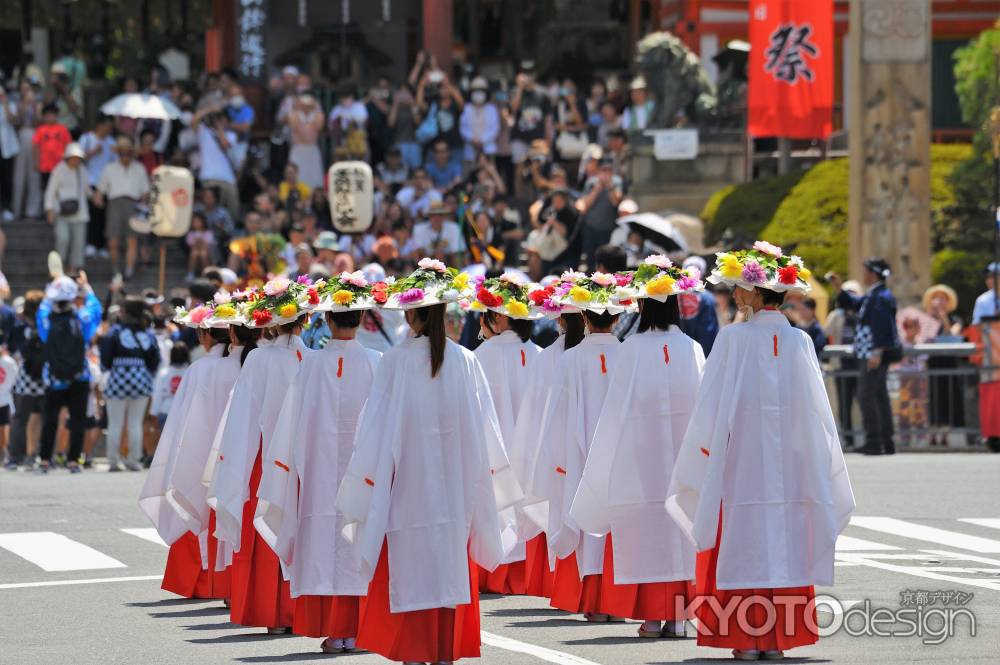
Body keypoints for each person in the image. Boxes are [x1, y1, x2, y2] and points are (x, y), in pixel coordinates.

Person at [667, 244, 855, 661]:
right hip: (791, 462)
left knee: (743, 538)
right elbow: (816, 411)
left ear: (754, 294)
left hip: (741, 461)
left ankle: (745, 638)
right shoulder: (800, 341)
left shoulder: (733, 339)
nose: (734, 295)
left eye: (738, 289)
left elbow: (710, 405)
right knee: (786, 537)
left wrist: (705, 452)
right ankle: (778, 639)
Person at [335, 262, 520, 664]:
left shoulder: (395, 362)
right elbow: (485, 434)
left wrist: (369, 484)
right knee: (448, 562)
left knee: (409, 564)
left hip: (405, 489)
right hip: (455, 490)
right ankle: (442, 650)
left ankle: (415, 651)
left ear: (412, 312)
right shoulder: (465, 361)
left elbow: (374, 434)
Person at [569, 258, 704, 637]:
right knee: (681, 525)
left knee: (647, 528)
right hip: (683, 455)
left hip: (641, 458)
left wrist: (606, 462)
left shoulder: (631, 349)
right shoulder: (691, 347)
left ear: (641, 304)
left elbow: (615, 413)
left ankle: (653, 614)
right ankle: (680, 614)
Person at [254, 275, 381, 654]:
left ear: (326, 320)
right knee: (357, 537)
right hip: (364, 471)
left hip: (319, 472)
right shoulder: (378, 363)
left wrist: (290, 466)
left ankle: (336, 628)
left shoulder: (310, 366)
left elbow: (290, 427)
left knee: (325, 539)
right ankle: (359, 628)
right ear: (362, 319)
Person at [209, 279, 313, 633]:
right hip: (304, 461)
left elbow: (243, 417)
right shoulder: (311, 357)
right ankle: (302, 610)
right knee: (301, 527)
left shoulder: (259, 359)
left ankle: (272, 612)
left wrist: (231, 462)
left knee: (268, 521)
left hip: (265, 455)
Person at [141, 298, 258, 601]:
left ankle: (205, 580)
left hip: (204, 447)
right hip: (244, 450)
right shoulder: (249, 364)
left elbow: (183, 421)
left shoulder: (202, 368)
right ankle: (235, 584)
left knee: (202, 511)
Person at [528, 274, 622, 620]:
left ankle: (593, 600)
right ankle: (615, 599)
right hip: (618, 455)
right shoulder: (626, 354)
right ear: (617, 317)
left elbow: (558, 417)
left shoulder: (571, 359)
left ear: (583, 317)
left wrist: (554, 459)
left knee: (583, 518)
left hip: (580, 452)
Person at [509, 294, 587, 598]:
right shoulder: (572, 356)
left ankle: (561, 585)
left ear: (561, 319)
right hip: (587, 448)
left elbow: (534, 413)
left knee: (556, 502)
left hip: (554, 447)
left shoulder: (550, 358)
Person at [471, 276, 541, 595]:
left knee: (501, 503)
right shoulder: (538, 353)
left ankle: (496, 572)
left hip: (495, 448)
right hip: (532, 448)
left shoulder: (483, 355)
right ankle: (530, 573)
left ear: (498, 318)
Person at [831, 258, 900, 455]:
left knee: (867, 395)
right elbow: (854, 303)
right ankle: (886, 441)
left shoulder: (880, 297)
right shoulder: (876, 295)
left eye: (866, 271)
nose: (863, 274)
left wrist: (877, 351)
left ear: (874, 274)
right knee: (878, 396)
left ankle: (875, 441)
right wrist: (839, 288)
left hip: (873, 353)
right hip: (872, 352)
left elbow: (882, 326)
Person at [36, 273, 103, 473]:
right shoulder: (82, 319)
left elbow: (42, 308)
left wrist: (51, 290)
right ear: (73, 297)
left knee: (50, 420)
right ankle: (73, 460)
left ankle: (45, 459)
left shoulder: (46, 319)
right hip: (79, 376)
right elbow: (96, 311)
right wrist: (87, 289)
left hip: (54, 378)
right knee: (78, 420)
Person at [100, 296, 160, 471]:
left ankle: (113, 460)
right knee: (135, 422)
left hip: (118, 376)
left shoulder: (115, 331)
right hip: (141, 377)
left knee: (115, 423)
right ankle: (134, 460)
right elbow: (155, 359)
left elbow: (105, 359)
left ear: (125, 312)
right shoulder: (147, 333)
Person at [95, 136, 150, 279]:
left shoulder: (139, 168)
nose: (125, 155)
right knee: (113, 240)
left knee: (132, 239)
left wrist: (143, 207)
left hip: (133, 203)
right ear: (118, 153)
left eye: (128, 152)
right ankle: (116, 269)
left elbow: (145, 192)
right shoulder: (109, 168)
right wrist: (98, 198)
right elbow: (101, 189)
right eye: (122, 152)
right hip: (114, 204)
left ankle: (129, 270)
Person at [6, 290, 45, 469]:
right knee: (34, 415)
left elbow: (14, 347)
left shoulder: (22, 324)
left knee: (24, 416)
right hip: (40, 373)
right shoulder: (43, 325)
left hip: (26, 374)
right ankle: (28, 453)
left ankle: (21, 455)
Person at [44, 143, 91, 274]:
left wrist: (95, 196)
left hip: (80, 212)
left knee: (79, 242)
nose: (76, 160)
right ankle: (59, 268)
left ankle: (74, 268)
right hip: (62, 211)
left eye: (78, 158)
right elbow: (51, 191)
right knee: (62, 238)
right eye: (73, 157)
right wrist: (49, 209)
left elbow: (87, 190)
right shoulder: (58, 170)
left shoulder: (82, 170)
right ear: (68, 157)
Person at [78, 114, 115, 256]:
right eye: (107, 127)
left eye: (110, 128)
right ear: (99, 125)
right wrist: (93, 152)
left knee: (104, 216)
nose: (108, 130)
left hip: (106, 184)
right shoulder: (86, 139)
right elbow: (78, 159)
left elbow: (114, 162)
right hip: (90, 182)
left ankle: (101, 245)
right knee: (91, 214)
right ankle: (91, 243)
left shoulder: (111, 142)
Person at [677, 256, 720, 355]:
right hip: (700, 353)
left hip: (677, 351)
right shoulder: (708, 298)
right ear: (703, 273)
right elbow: (708, 331)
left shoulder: (674, 295)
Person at [287, 95, 325, 190]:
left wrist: (315, 108)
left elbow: (319, 126)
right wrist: (298, 107)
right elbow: (294, 125)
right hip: (298, 149)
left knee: (314, 176)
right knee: (297, 175)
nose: (306, 107)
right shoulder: (293, 115)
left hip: (312, 150)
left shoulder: (318, 115)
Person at [460, 77, 500, 165]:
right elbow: (463, 128)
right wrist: (473, 139)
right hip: (471, 149)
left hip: (488, 149)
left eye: (481, 91)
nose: (478, 94)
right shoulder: (467, 108)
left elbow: (495, 128)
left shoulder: (491, 108)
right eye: (475, 91)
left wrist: (482, 140)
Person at [32, 104, 71, 194]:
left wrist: (67, 160)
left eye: (52, 115)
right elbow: (35, 146)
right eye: (47, 115)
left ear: (56, 116)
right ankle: (47, 207)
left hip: (60, 165)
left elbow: (68, 145)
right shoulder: (40, 129)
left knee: (60, 188)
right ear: (44, 117)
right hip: (45, 165)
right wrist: (35, 162)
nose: (50, 117)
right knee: (46, 189)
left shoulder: (62, 129)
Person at [150, 342, 190, 429]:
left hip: (165, 411)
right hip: (184, 412)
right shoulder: (191, 372)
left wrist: (153, 413)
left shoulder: (164, 373)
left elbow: (158, 395)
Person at [0, 85, 21, 222]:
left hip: (7, 148)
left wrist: (5, 103)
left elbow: (13, 120)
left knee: (7, 179)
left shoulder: (11, 105)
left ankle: (7, 207)